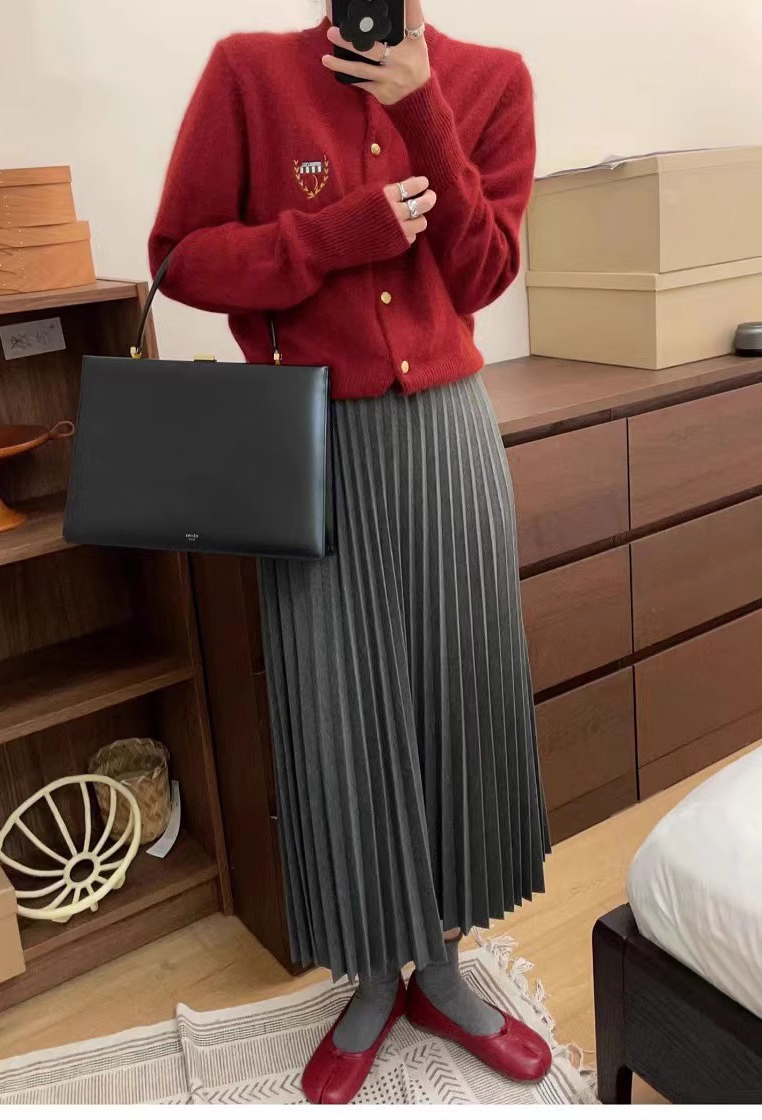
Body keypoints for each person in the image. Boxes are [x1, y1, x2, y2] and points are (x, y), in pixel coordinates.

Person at [149, 0, 551, 1104]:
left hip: (447, 436)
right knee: (336, 708)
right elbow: (181, 260)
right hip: (310, 446)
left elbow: (482, 274)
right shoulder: (247, 73)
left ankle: (446, 973)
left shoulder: (491, 79)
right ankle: (374, 977)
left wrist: (422, 110)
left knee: (460, 696)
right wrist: (331, 237)